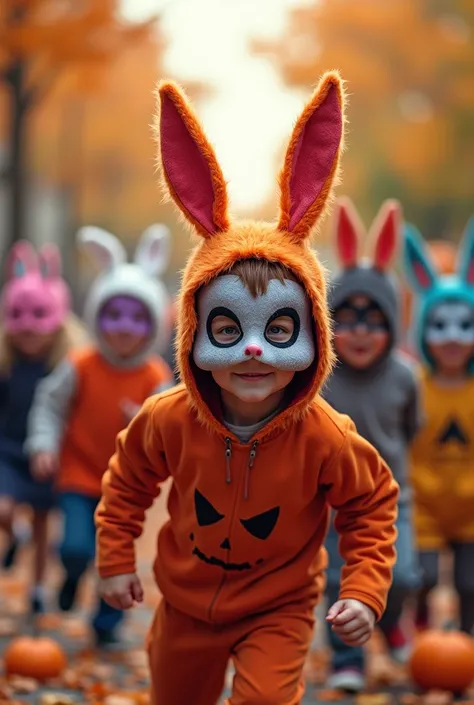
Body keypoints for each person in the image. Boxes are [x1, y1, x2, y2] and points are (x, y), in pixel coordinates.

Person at [95, 72, 399, 705]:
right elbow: (128, 479)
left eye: (279, 329)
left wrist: (365, 590)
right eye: (229, 330)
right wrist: (116, 556)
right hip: (184, 605)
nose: (254, 350)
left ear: (313, 334)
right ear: (194, 335)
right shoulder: (168, 419)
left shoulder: (325, 437)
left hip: (281, 606)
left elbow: (370, 504)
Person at [26, 224, 174, 645]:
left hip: (126, 486)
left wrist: (146, 424)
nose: (123, 327)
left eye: (136, 317)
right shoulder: (81, 364)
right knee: (76, 546)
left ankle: (105, 624)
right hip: (77, 473)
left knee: (116, 555)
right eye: (113, 315)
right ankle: (71, 576)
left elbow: (166, 426)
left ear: (151, 325)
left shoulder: (154, 376)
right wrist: (42, 444)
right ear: (97, 317)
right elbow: (49, 405)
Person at [323, 197, 422, 692]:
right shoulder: (321, 378)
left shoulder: (405, 377)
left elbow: (412, 427)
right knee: (336, 578)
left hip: (393, 499)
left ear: (392, 325)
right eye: (347, 319)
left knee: (401, 574)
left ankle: (389, 618)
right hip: (335, 503)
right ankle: (347, 658)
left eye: (374, 320)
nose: (360, 332)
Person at [0, 240, 88, 613]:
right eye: (20, 319)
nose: (29, 330)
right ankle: (12, 532)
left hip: (46, 456)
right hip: (7, 452)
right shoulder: (6, 364)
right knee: (4, 508)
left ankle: (36, 589)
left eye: (39, 318)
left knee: (41, 525)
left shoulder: (66, 365)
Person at [403, 218, 474, 635]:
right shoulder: (414, 384)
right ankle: (424, 637)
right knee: (423, 577)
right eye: (439, 325)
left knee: (470, 582)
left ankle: (466, 643)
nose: (451, 337)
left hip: (471, 507)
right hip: (426, 503)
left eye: (465, 326)